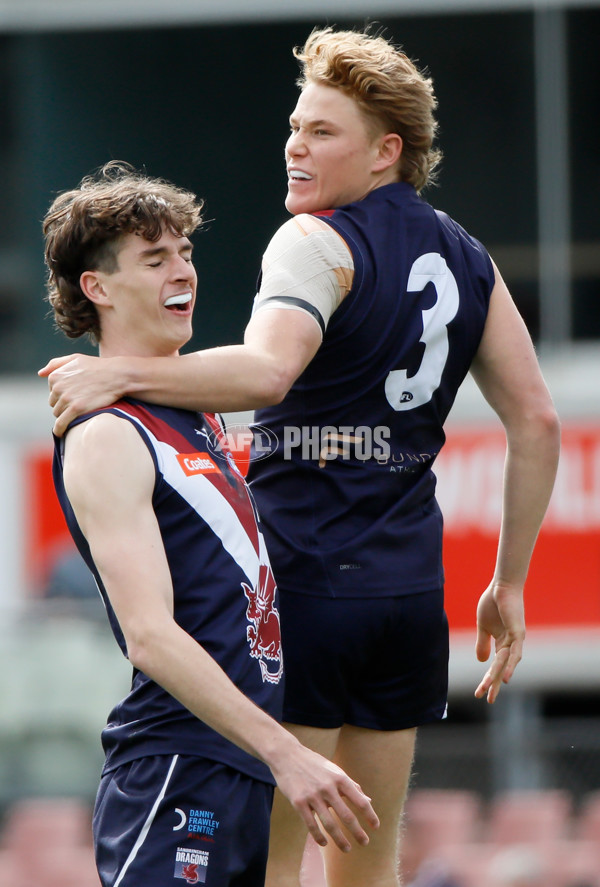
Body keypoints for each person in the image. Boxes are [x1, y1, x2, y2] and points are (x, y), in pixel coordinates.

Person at [39, 27, 561, 887]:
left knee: (282, 863)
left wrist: (119, 371)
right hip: (409, 588)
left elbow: (269, 373)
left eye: (321, 131)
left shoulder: (316, 237)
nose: (294, 145)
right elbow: (536, 419)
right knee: (370, 864)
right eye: (294, 125)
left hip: (307, 582)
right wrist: (509, 580)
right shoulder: (467, 255)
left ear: (386, 150)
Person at [41, 161, 379, 887]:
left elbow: (262, 370)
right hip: (177, 766)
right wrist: (286, 751)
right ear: (96, 288)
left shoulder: (197, 411)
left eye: (186, 252)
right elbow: (151, 635)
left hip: (240, 766)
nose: (183, 270)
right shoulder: (108, 434)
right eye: (155, 258)